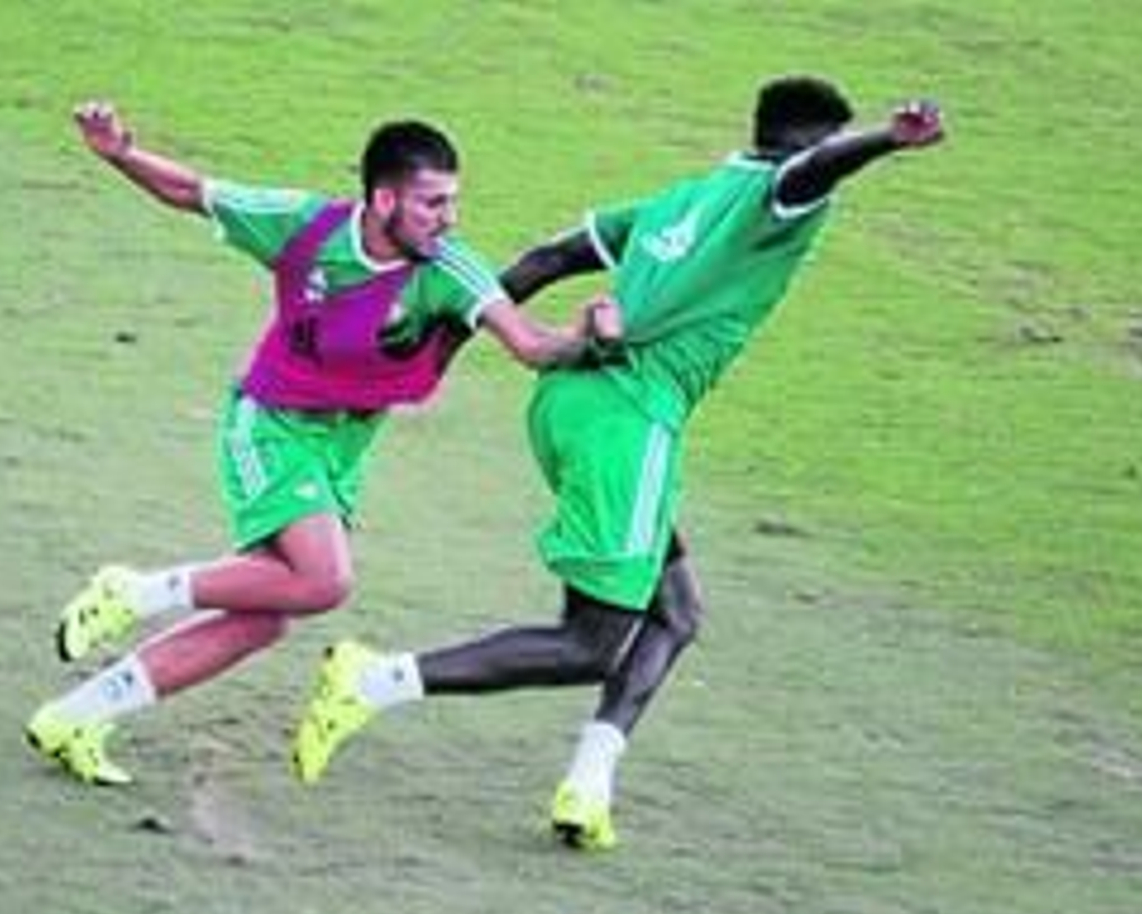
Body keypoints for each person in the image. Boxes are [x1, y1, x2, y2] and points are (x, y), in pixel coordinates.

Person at [289, 76, 946, 850]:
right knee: (591, 642)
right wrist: (882, 142)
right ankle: (372, 681)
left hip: (571, 406)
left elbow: (549, 257)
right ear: (804, 145)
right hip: (631, 424)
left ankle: (586, 786)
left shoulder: (683, 199)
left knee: (675, 612)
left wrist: (445, 340)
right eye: (827, 148)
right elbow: (811, 175)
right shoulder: (780, 193)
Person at [26, 101, 620, 786]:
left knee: (262, 619)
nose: (448, 218)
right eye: (432, 203)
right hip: (271, 426)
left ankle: (74, 716)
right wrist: (121, 153)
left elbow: (528, 343)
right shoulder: (306, 227)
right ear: (384, 198)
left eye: (453, 201)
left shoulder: (449, 269)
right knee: (325, 579)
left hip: (341, 451)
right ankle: (133, 589)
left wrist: (586, 339)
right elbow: (194, 191)